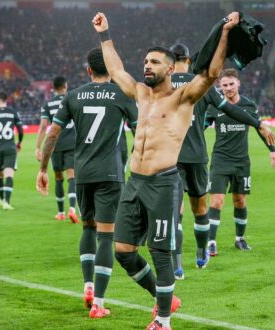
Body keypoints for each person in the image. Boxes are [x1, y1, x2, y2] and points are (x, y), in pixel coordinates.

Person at [87, 11, 239, 330]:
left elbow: (210, 74)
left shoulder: (182, 98)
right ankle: (161, 296)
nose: (147, 67)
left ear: (170, 68)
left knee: (160, 252)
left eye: (154, 62)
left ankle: (164, 321)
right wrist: (104, 34)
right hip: (134, 183)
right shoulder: (141, 95)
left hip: (162, 184)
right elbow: (115, 69)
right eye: (145, 62)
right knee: (123, 251)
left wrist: (224, 34)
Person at [36, 48, 138, 318]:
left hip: (83, 174)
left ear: (88, 70)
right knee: (107, 235)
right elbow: (140, 135)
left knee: (88, 228)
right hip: (110, 174)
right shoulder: (123, 95)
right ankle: (99, 304)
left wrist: (43, 168)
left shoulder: (73, 95)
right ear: (112, 69)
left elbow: (53, 134)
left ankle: (88, 286)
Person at [169, 43, 275, 280]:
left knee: (175, 211)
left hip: (170, 156)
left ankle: (177, 265)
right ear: (188, 60)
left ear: (169, 61)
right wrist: (258, 123)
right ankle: (200, 251)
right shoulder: (202, 84)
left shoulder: (161, 85)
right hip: (197, 156)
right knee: (201, 209)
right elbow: (230, 108)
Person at [207, 68, 275, 256]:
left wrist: (272, 151)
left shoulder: (248, 105)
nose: (228, 88)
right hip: (220, 160)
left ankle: (240, 239)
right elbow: (200, 124)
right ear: (219, 87)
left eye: (231, 84)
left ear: (238, 83)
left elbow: (260, 128)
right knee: (217, 201)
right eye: (224, 85)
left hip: (241, 162)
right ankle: (211, 242)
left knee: (240, 200)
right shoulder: (215, 106)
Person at [35, 76, 79, 223]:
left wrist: (38, 147)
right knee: (72, 176)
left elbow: (43, 127)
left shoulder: (47, 105)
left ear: (53, 88)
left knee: (58, 178)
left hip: (55, 145)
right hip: (72, 143)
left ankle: (60, 213)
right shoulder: (72, 98)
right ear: (65, 86)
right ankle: (72, 209)